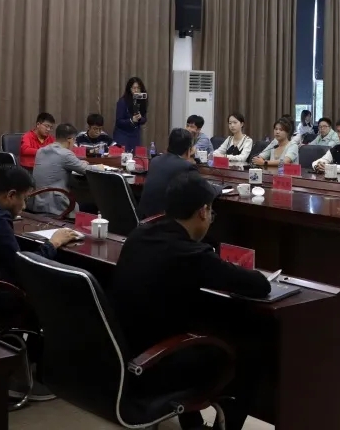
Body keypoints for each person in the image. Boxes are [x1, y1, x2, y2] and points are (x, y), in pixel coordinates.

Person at [113, 173, 269, 430]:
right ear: (202, 212)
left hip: (128, 355)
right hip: (156, 366)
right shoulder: (190, 254)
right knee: (251, 351)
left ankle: (192, 423)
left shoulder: (139, 235)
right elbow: (259, 285)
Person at [138, 129, 202, 219]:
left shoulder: (155, 160)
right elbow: (203, 190)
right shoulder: (186, 166)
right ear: (189, 150)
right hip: (164, 220)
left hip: (144, 219)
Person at [31, 123, 90, 215]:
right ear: (70, 140)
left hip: (37, 202)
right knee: (91, 207)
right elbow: (88, 170)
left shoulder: (40, 151)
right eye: (74, 140)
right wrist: (100, 167)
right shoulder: (65, 154)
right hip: (56, 205)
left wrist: (79, 163)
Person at [114, 77, 148, 152]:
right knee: (123, 157)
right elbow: (119, 121)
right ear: (129, 89)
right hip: (123, 135)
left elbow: (144, 119)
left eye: (138, 88)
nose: (136, 90)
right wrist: (131, 120)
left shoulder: (142, 100)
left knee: (135, 156)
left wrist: (140, 118)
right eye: (134, 88)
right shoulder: (122, 101)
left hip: (135, 135)